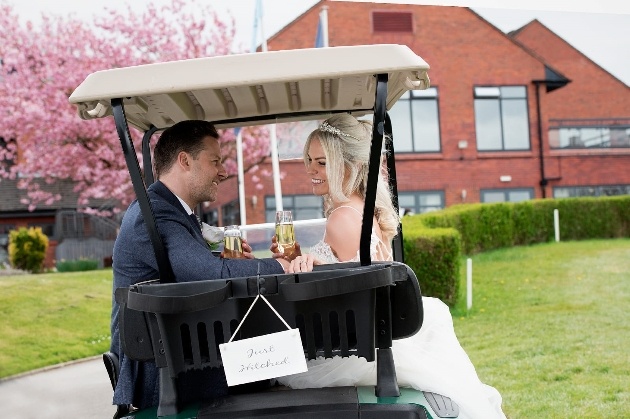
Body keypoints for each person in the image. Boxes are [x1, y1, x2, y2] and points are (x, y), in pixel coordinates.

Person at [270, 114, 506, 419]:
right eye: (309, 160)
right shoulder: (361, 211)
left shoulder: (342, 218)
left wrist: (297, 268)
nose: (310, 170)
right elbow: (348, 272)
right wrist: (302, 259)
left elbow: (340, 297)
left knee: (268, 358)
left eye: (322, 163)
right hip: (368, 331)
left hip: (351, 346)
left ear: (349, 165)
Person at [111, 120, 290, 409]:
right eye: (215, 161)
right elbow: (210, 274)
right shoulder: (155, 214)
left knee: (284, 351)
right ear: (185, 161)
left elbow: (196, 269)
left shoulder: (169, 209)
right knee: (283, 361)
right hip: (163, 369)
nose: (223, 171)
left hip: (180, 350)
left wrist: (227, 260)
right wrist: (283, 266)